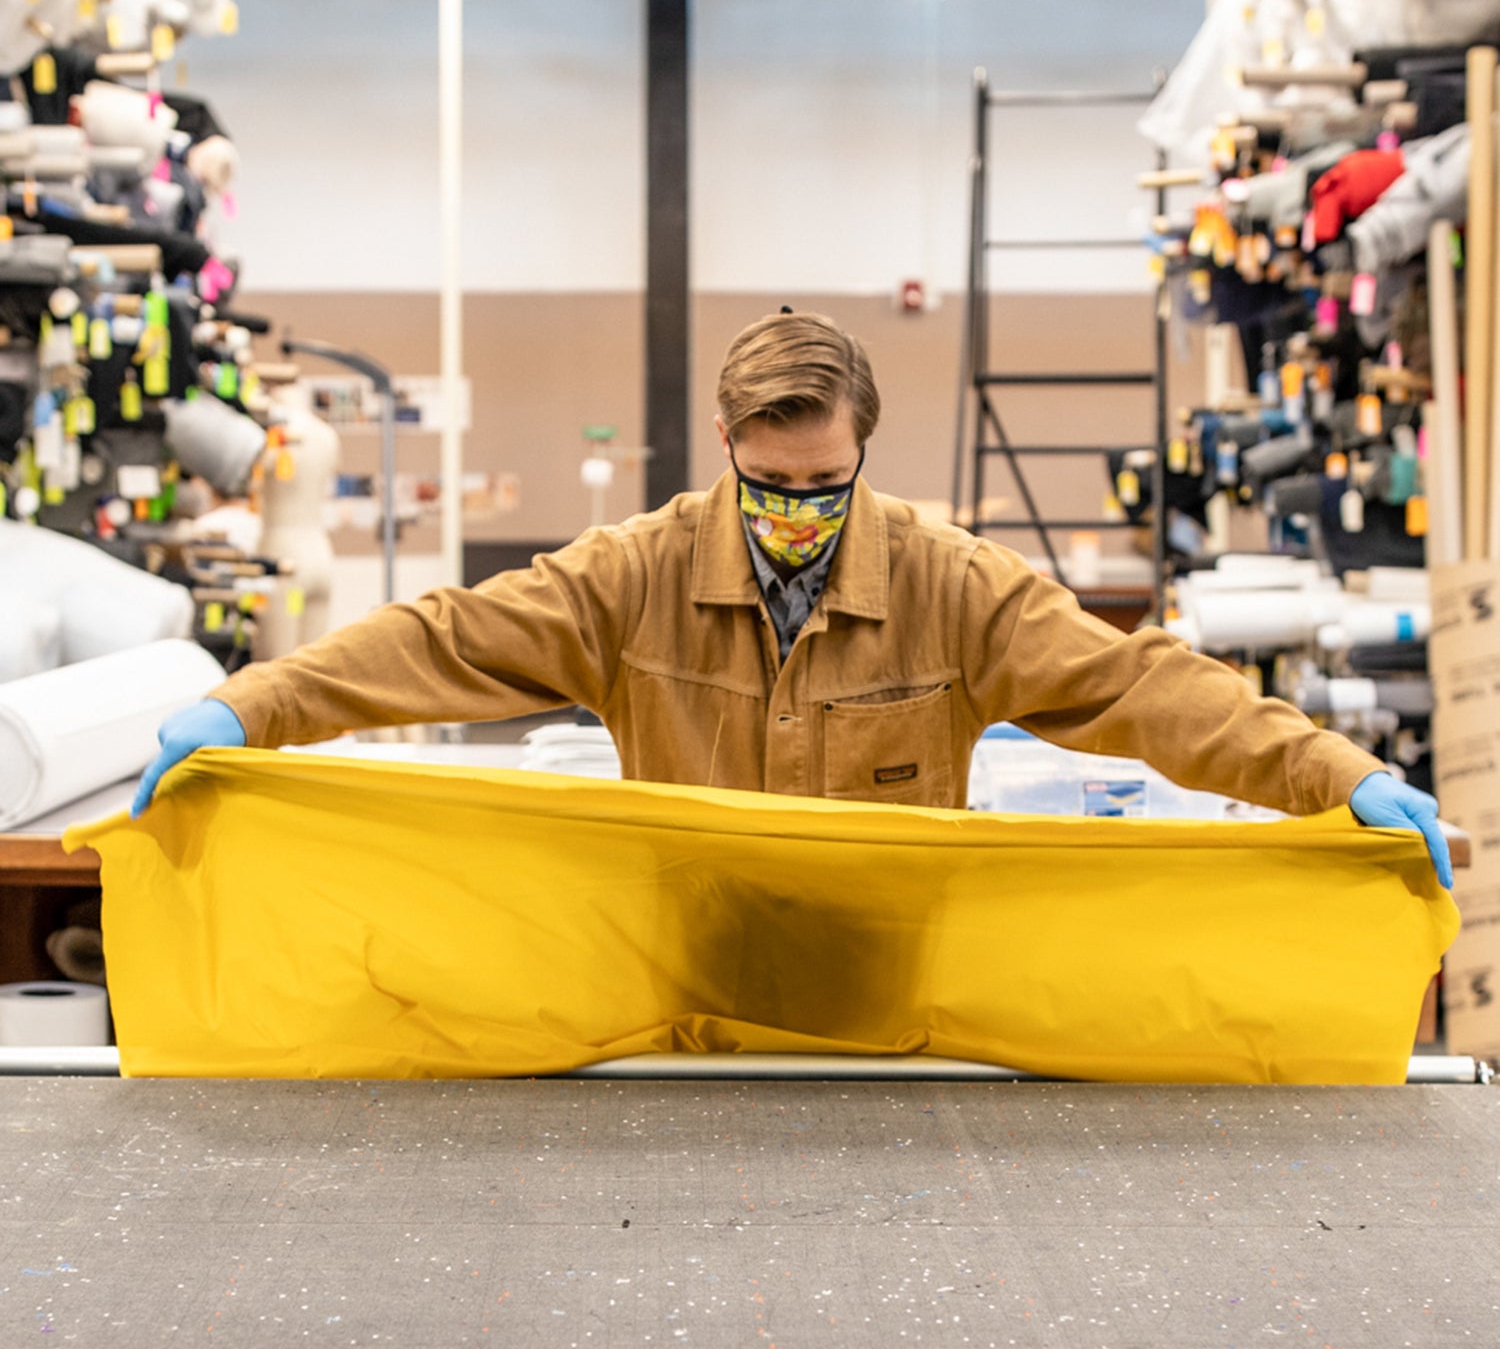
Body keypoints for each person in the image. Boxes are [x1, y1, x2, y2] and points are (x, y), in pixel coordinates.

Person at [133, 309, 1452, 888]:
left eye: (828, 482)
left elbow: (1143, 687)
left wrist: (1333, 773)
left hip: (892, 992)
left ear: (866, 448)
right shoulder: (633, 578)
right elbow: (441, 642)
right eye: (770, 481)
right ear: (725, 443)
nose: (798, 509)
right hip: (681, 983)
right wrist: (251, 707)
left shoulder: (952, 586)